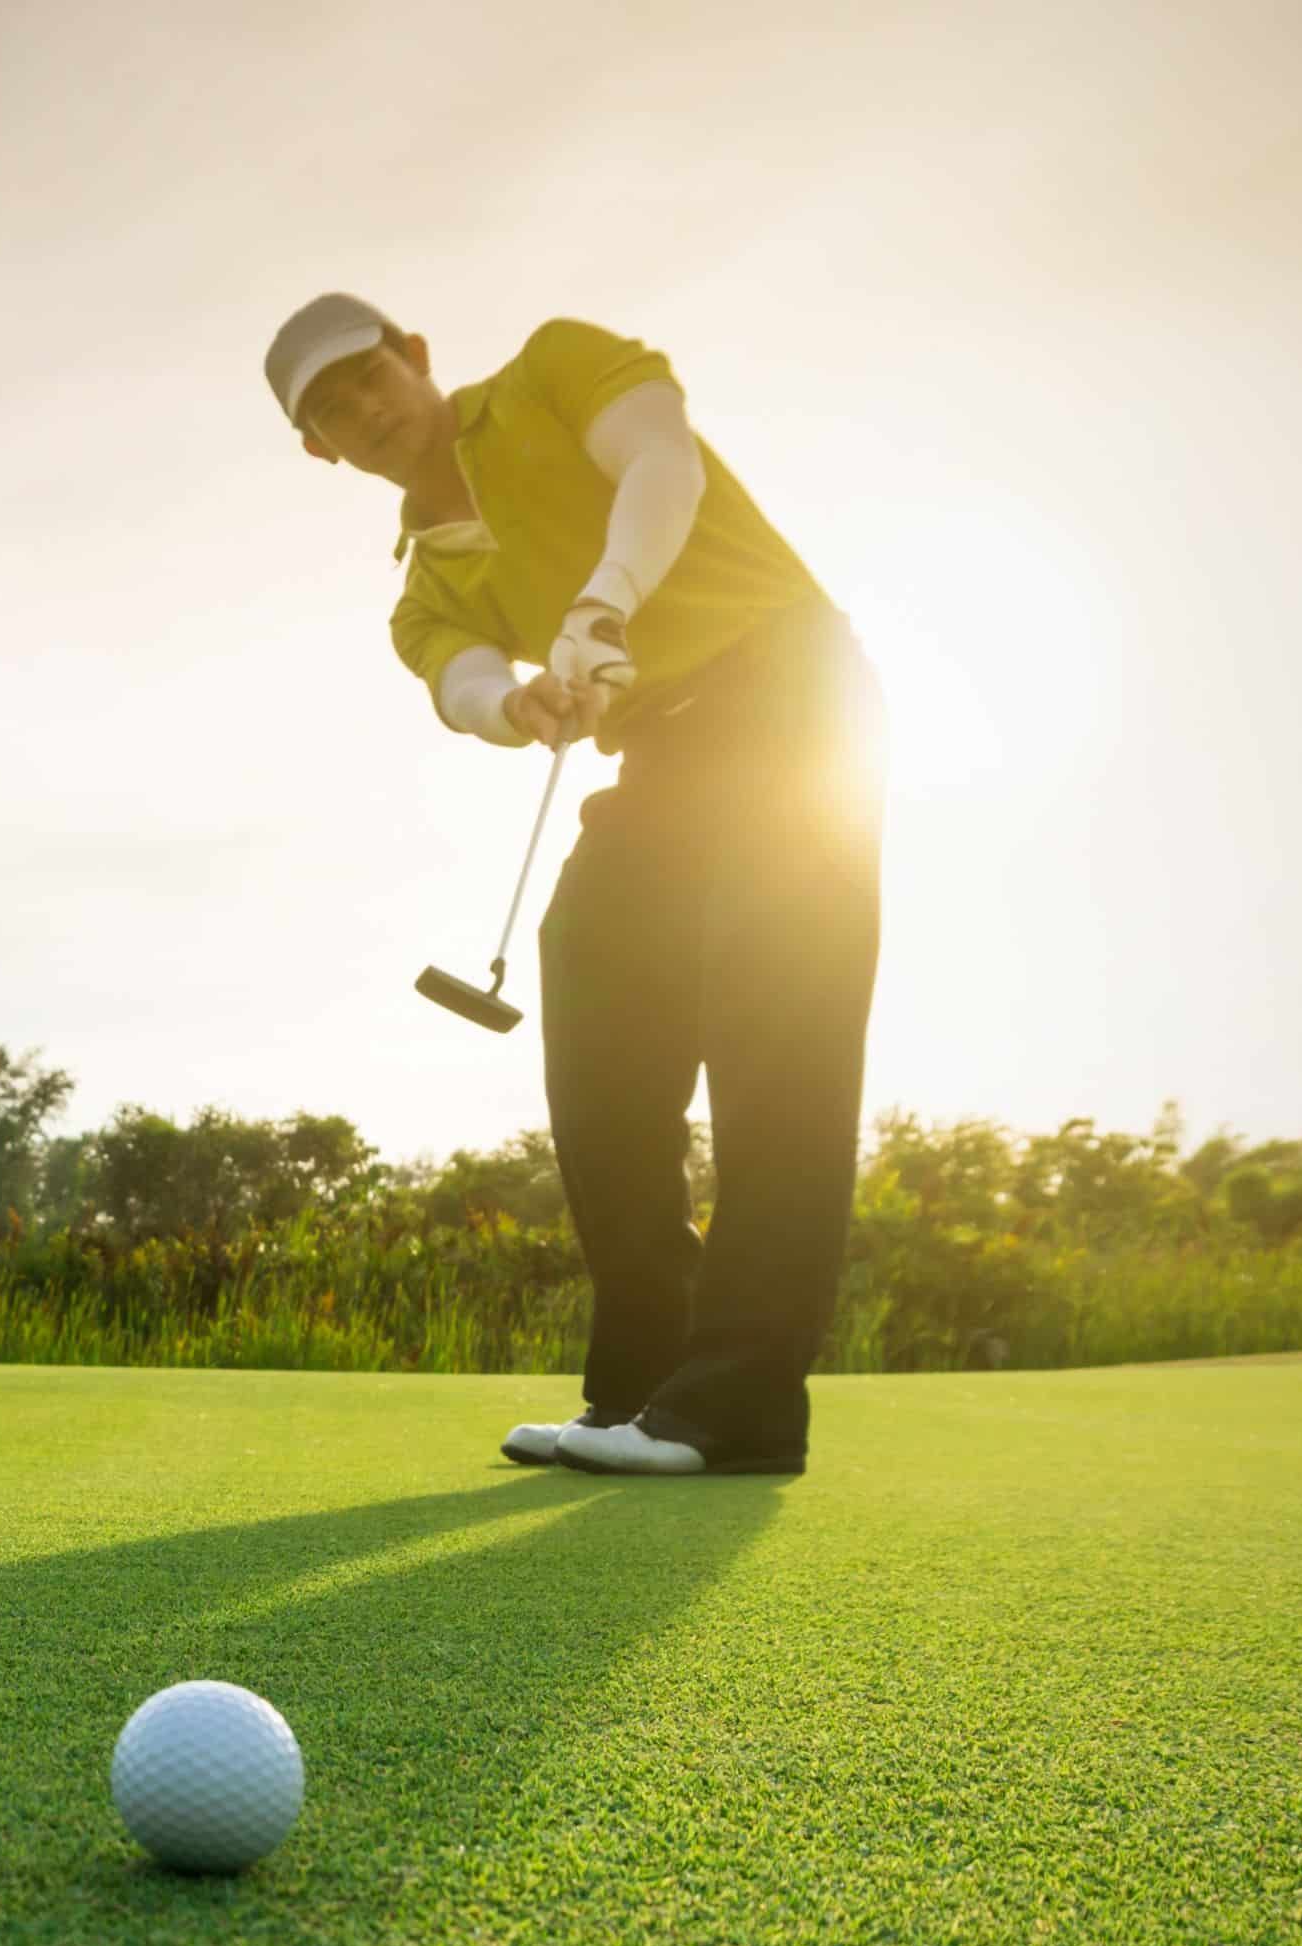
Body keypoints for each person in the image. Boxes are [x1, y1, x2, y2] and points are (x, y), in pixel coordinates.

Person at [262, 295, 884, 1477]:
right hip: (656, 752)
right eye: (329, 410)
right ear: (317, 449)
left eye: (367, 373)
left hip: (792, 697)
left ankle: (741, 1405)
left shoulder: (554, 365)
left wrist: (600, 602)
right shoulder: (422, 591)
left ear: (415, 357)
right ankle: (643, 1384)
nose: (362, 407)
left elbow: (659, 460)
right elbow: (462, 683)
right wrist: (522, 703)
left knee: (774, 1039)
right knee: (594, 1009)